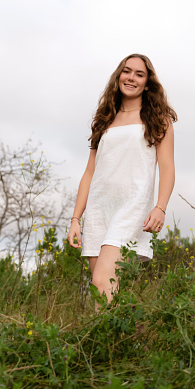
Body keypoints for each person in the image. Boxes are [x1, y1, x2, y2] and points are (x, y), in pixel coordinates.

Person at [67, 53, 177, 304]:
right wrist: (76, 218)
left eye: (139, 74)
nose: (131, 78)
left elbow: (168, 168)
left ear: (147, 83)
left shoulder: (159, 120)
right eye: (127, 71)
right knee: (104, 294)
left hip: (132, 208)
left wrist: (160, 207)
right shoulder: (105, 119)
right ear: (118, 76)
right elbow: (89, 172)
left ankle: (111, 341)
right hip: (99, 209)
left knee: (101, 283)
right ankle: (122, 341)